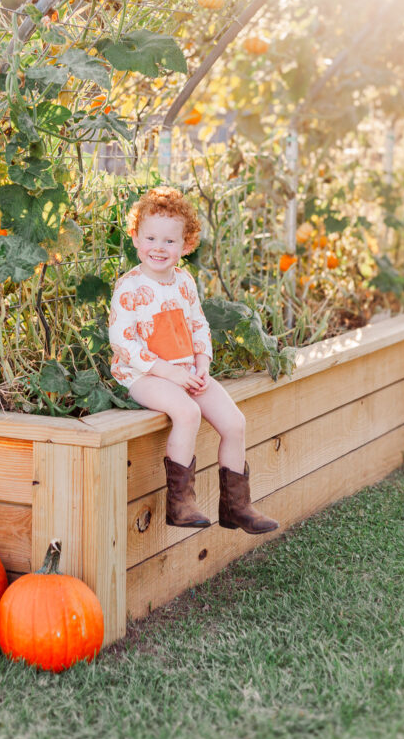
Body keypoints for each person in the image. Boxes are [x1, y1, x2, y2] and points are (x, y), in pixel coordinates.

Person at [109, 186, 279, 535]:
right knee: (187, 412)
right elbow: (123, 342)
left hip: (186, 371)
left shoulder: (184, 282)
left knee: (234, 423)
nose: (159, 247)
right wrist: (167, 372)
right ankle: (180, 503)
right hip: (144, 374)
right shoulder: (129, 287)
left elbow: (199, 324)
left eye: (169, 241)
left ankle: (236, 506)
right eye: (151, 238)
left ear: (185, 245)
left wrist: (202, 363)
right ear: (136, 239)